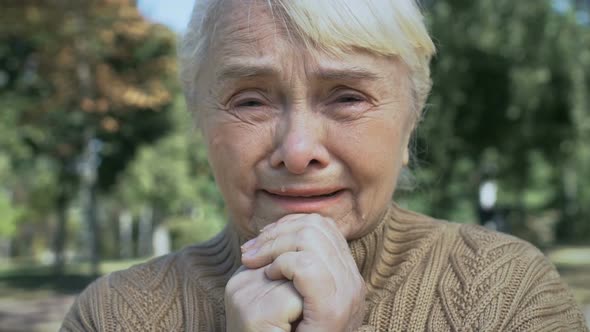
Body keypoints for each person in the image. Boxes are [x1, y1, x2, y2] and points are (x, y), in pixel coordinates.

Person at [61, 0, 588, 331]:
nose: (298, 149)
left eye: (347, 97)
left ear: (410, 121)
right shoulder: (113, 316)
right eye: (250, 100)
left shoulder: (504, 295)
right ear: (201, 121)